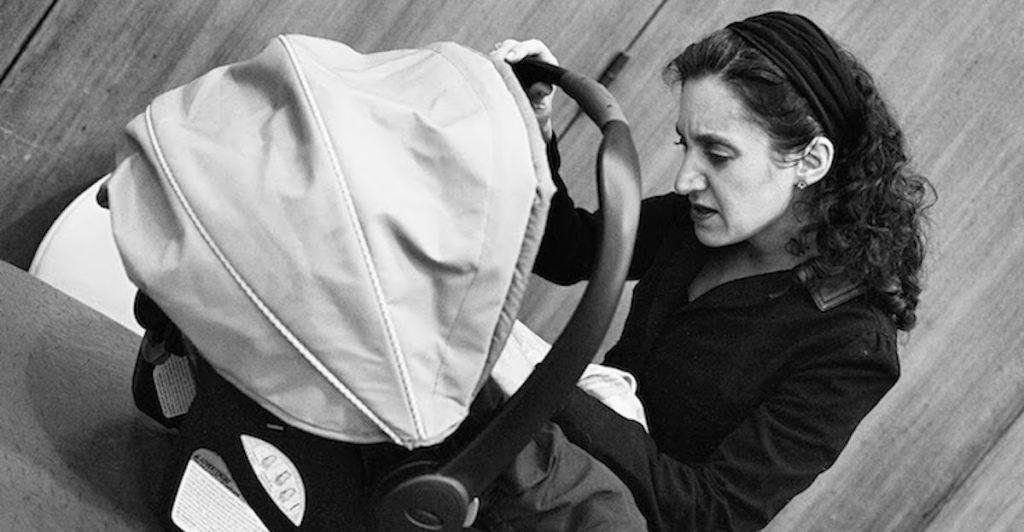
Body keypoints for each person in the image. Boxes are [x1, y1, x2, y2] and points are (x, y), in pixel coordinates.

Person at [492, 10, 934, 531]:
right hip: (538, 468)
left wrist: (541, 382)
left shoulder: (850, 345)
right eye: (686, 144)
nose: (685, 179)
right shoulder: (704, 221)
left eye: (718, 154)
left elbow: (711, 514)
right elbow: (567, 252)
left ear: (811, 161)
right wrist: (533, 124)